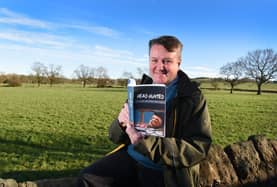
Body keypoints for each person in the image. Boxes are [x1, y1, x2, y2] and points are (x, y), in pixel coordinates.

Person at [77, 35, 212, 187]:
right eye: (154, 60)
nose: (160, 66)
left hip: (164, 171)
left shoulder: (192, 97)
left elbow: (198, 148)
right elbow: (113, 136)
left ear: (178, 63)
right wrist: (120, 123)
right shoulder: (140, 90)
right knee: (86, 179)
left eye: (167, 61)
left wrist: (147, 144)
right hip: (131, 158)